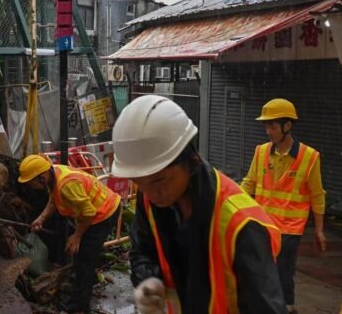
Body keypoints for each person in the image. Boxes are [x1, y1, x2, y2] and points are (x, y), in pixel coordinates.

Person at [112, 95, 286, 314]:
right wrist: (147, 285)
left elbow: (266, 306)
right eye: (139, 182)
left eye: (159, 180)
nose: (150, 193)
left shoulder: (241, 225)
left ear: (191, 162)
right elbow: (143, 249)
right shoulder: (151, 198)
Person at [241, 98, 327, 313]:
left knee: (282, 272)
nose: (267, 131)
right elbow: (248, 184)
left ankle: (286, 308)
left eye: (272, 125)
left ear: (287, 126)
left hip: (290, 229)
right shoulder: (261, 152)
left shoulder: (309, 157)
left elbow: (317, 195)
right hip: (263, 225)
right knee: (260, 270)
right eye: (266, 125)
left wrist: (319, 230)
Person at [18, 154, 121, 314]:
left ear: (42, 177)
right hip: (95, 213)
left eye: (31, 183)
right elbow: (54, 199)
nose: (32, 186)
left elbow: (89, 212)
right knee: (82, 256)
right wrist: (41, 218)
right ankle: (85, 284)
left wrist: (77, 236)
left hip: (103, 213)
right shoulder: (54, 175)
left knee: (84, 258)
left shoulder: (67, 185)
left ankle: (80, 307)